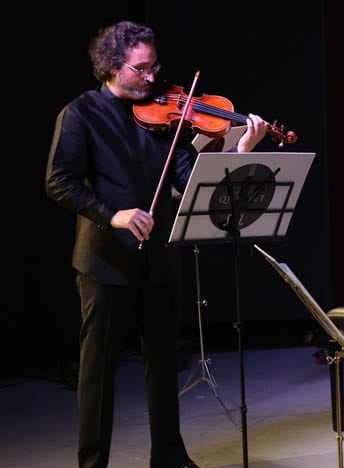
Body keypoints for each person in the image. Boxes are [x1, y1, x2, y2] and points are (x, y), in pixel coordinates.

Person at [45, 20, 270, 468]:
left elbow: (191, 178)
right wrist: (113, 214)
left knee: (164, 366)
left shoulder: (165, 117)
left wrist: (241, 150)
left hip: (160, 258)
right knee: (98, 373)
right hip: (105, 261)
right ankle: (93, 463)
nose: (152, 77)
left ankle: (168, 457)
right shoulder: (80, 114)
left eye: (155, 67)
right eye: (142, 69)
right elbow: (58, 181)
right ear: (113, 66)